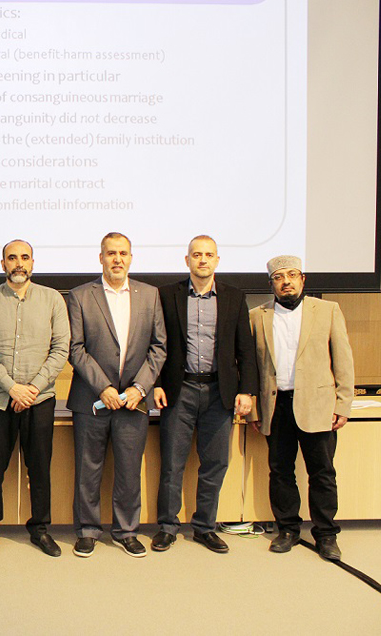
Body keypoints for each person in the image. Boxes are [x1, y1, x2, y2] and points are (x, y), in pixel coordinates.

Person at [151, 236, 257, 554]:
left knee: (215, 463)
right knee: (172, 463)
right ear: (187, 260)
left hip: (218, 392)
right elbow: (157, 343)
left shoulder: (234, 298)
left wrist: (247, 391)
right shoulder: (167, 295)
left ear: (217, 260)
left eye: (208, 255)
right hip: (178, 390)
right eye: (197, 255)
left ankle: (204, 527)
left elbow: (245, 349)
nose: (203, 260)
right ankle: (167, 527)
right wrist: (155, 382)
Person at [67, 232, 166, 558]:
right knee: (88, 469)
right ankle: (88, 531)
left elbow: (159, 347)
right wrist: (103, 388)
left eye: (123, 253)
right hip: (91, 400)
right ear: (101, 258)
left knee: (128, 470)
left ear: (131, 257)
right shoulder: (81, 296)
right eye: (111, 253)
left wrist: (140, 388)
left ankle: (126, 531)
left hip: (134, 402)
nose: (117, 259)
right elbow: (76, 349)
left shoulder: (149, 295)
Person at [249, 256, 354, 561]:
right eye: (279, 277)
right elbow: (251, 367)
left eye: (292, 275)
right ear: (272, 284)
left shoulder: (328, 311)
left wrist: (343, 403)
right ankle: (287, 530)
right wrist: (255, 409)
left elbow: (343, 359)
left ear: (303, 279)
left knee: (321, 472)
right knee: (280, 471)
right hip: (276, 404)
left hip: (318, 405)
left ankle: (326, 534)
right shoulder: (257, 316)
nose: (287, 282)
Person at [0, 239, 70, 558]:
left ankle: (40, 529)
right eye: (12, 258)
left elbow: (60, 350)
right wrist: (12, 387)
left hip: (40, 400)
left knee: (39, 468)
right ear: (2, 264)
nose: (18, 263)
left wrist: (32, 389)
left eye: (24, 257)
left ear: (33, 263)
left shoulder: (53, 299)